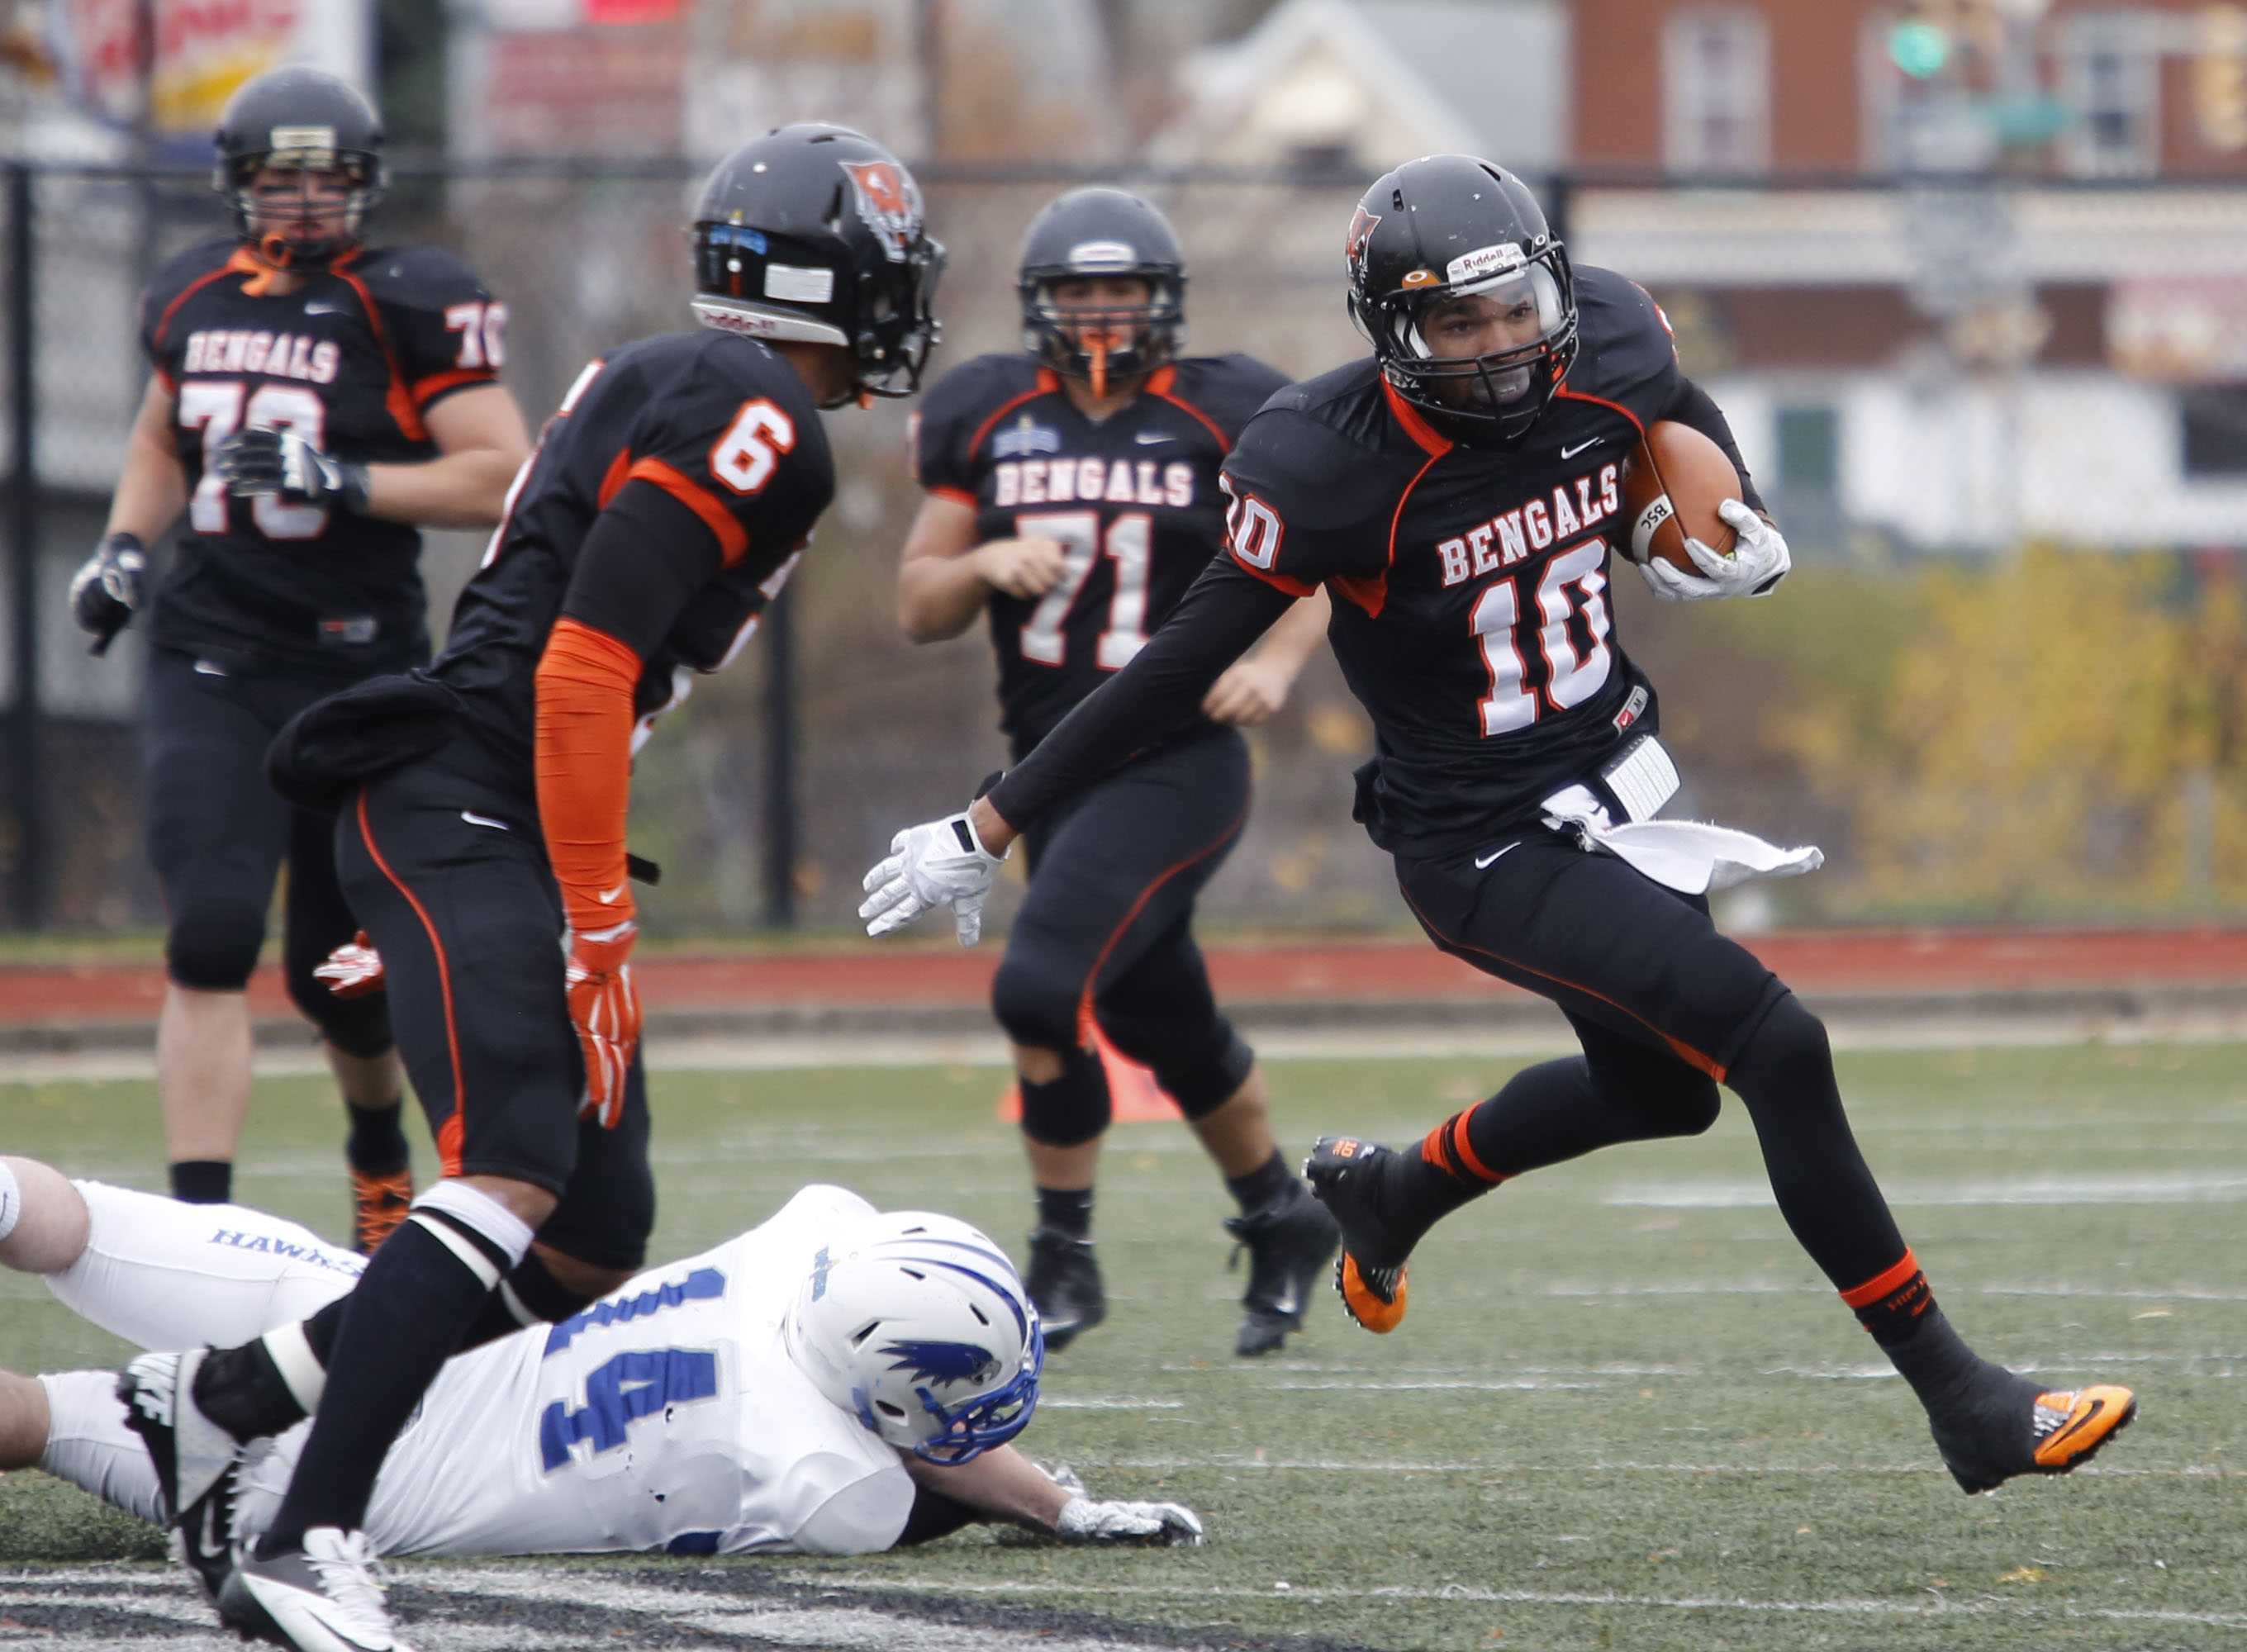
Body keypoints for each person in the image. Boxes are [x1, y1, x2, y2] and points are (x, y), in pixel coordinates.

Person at [857, 154, 2138, 1498]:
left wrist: (1731, 516)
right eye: (1451, 325)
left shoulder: (1615, 333)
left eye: (1513, 310)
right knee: (1778, 1041)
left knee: (1662, 1093)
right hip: (1478, 837)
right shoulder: (1328, 460)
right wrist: (992, 821)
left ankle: (1396, 1195)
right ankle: (1968, 1405)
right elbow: (1181, 658)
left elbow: (1674, 414)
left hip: (1622, 782)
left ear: (1551, 290)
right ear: (1388, 332)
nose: (1494, 346)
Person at [111, 123, 946, 1652]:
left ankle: (224, 1405)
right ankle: (306, 1539)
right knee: (507, 1168)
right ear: (835, 276)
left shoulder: (710, 384)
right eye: (891, 264)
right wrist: (600, 929)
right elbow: (580, 671)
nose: (908, 292)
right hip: (468, 796)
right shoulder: (757, 405)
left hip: (481, 798)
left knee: (590, 1230)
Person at [69, 66, 532, 1254]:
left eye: (331, 179)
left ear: (367, 187)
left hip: (354, 668)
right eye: (283, 176)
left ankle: (377, 1151)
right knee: (211, 935)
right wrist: (123, 548)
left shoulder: (412, 299)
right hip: (210, 652)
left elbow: (500, 473)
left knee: (339, 979)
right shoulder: (190, 292)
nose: (308, 200)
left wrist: (346, 478)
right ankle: (193, 1238)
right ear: (239, 184)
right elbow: (161, 434)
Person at [0, 1156, 1201, 1609]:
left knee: (66, 1213)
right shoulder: (835, 1481)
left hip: (373, 1314)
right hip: (390, 1473)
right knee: (40, 1415)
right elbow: (941, 1466)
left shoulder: (814, 1228)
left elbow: (898, 1379)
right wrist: (1053, 1504)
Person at [895, 188, 1338, 1359]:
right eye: (1080, 293)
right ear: (1041, 304)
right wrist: (986, 555)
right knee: (1165, 1018)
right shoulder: (987, 411)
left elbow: (1321, 561)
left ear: (1165, 302)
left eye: (1123, 291)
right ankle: (1282, 1217)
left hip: (1178, 759)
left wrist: (1281, 660)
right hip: (1048, 772)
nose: (1102, 314)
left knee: (1039, 989)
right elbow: (918, 602)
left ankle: (1064, 1255)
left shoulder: (1229, 407)